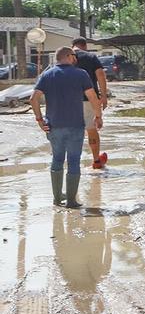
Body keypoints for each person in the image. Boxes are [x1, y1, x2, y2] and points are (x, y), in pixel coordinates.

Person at [30, 47, 101, 208]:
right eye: (74, 56)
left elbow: (33, 99)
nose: (75, 59)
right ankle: (71, 200)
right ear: (68, 56)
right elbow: (92, 97)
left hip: (53, 126)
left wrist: (40, 120)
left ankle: (57, 198)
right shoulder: (81, 74)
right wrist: (98, 116)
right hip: (75, 125)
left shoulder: (47, 75)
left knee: (57, 159)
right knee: (74, 161)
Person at [71, 38, 109, 169]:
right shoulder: (90, 56)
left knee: (73, 131)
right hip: (89, 99)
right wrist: (103, 96)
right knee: (91, 130)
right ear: (84, 46)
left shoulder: (65, 57)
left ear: (73, 46)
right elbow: (100, 75)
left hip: (69, 101)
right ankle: (96, 161)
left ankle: (73, 163)